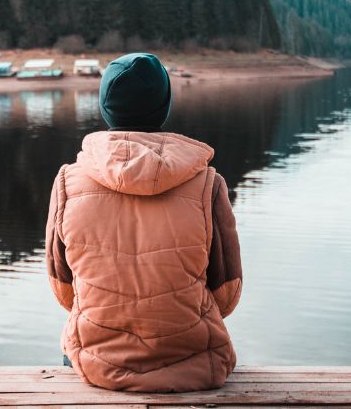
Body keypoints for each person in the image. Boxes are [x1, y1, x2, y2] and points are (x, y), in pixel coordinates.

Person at [45, 53, 242, 392]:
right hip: (197, 363)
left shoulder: (67, 183)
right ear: (164, 107)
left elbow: (63, 288)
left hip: (94, 363)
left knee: (69, 345)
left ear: (106, 108)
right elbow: (226, 293)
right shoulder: (210, 185)